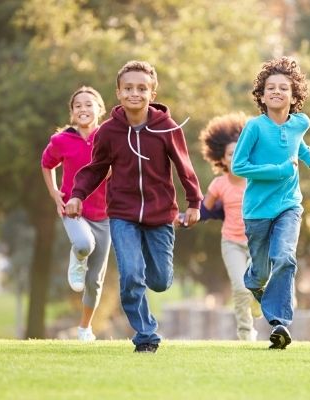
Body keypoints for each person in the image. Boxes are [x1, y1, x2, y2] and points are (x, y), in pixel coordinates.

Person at [65, 60, 202, 353]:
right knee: (130, 275)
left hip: (161, 214)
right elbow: (95, 168)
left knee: (161, 280)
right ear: (118, 92)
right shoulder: (108, 131)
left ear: (153, 93)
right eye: (128, 88)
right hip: (123, 214)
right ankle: (146, 334)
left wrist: (193, 202)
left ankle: (150, 300)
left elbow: (183, 165)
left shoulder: (167, 127)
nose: (134, 93)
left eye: (142, 88)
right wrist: (77, 195)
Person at [232, 56, 310, 349]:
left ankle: (279, 323)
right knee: (260, 273)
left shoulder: (301, 122)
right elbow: (239, 166)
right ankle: (253, 279)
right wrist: (279, 171)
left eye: (284, 88)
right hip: (257, 211)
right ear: (261, 95)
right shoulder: (254, 128)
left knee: (285, 257)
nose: (277, 92)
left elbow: (300, 144)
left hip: (289, 205)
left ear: (294, 95)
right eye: (270, 87)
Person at [41, 86, 111, 341]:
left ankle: (85, 328)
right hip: (73, 209)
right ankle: (78, 255)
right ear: (72, 113)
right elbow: (47, 164)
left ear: (99, 110)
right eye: (78, 105)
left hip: (104, 214)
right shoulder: (61, 141)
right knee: (83, 243)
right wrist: (54, 194)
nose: (83, 109)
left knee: (94, 280)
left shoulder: (109, 136)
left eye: (88, 104)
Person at [199, 112, 262, 341]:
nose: (235, 158)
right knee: (240, 288)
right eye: (230, 154)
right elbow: (204, 210)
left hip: (258, 242)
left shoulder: (257, 179)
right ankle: (246, 333)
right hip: (232, 243)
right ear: (222, 159)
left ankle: (261, 305)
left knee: (258, 285)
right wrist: (185, 218)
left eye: (239, 152)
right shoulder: (219, 184)